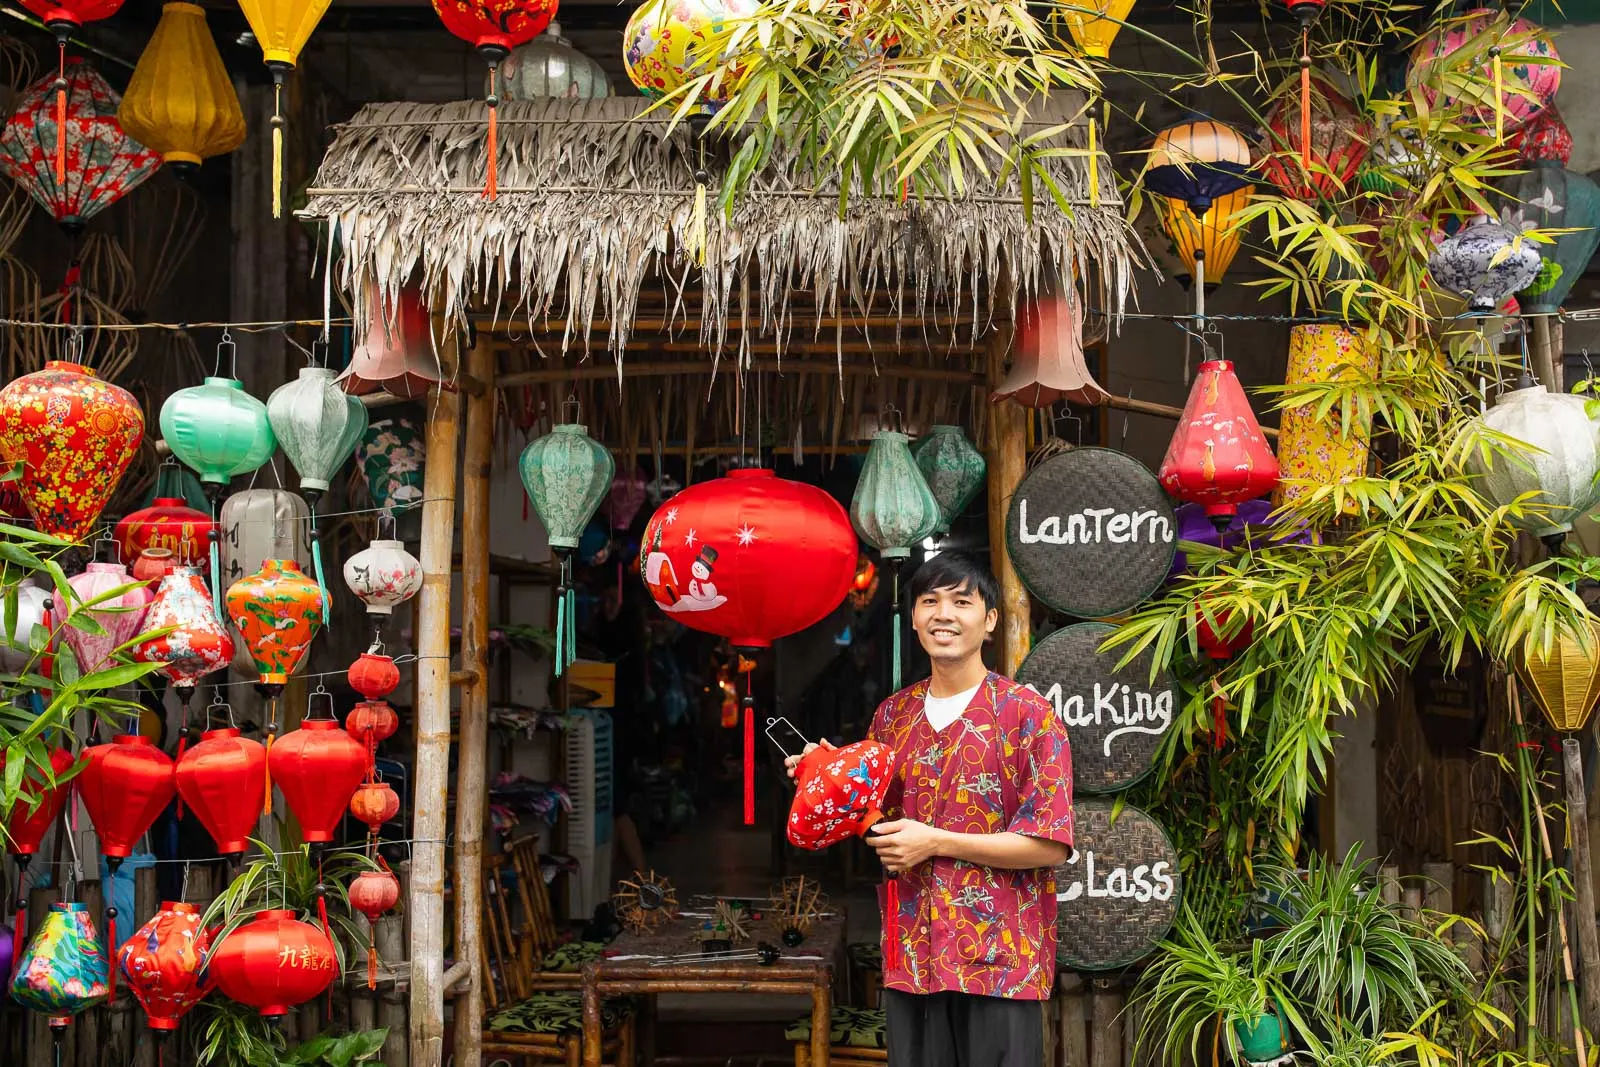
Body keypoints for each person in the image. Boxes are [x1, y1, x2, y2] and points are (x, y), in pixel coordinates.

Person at [786, 551, 1073, 1067]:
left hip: (1000, 958)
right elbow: (876, 821)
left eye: (962, 602)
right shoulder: (892, 717)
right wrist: (826, 773)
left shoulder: (1028, 715)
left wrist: (937, 841)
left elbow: (1049, 844)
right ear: (914, 618)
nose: (944, 614)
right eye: (930, 601)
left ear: (988, 621)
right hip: (914, 951)